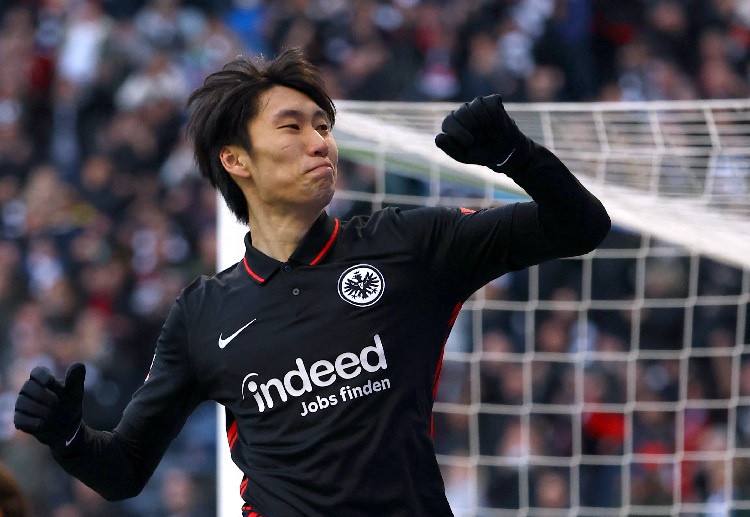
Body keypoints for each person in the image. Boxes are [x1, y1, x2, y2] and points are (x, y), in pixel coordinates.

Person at [13, 47, 610, 516]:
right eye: (292, 126)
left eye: (323, 125)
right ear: (236, 160)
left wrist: (514, 154)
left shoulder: (408, 245)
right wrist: (68, 437)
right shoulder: (202, 313)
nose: (319, 141)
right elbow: (124, 471)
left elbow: (580, 225)